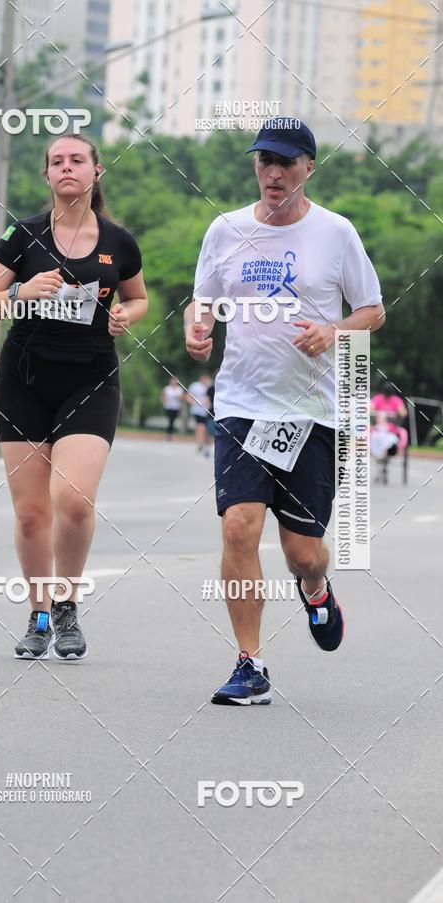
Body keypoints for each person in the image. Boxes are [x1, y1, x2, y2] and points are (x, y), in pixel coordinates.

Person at [185, 118, 385, 705]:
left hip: (310, 413)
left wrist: (333, 329)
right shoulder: (225, 231)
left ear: (308, 168)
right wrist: (199, 331)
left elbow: (372, 310)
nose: (273, 173)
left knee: (302, 552)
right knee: (238, 526)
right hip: (242, 405)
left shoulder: (336, 233)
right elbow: (205, 300)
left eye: (286, 162)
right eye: (264, 161)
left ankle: (317, 588)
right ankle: (250, 663)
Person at [0, 133, 148, 660]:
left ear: (96, 172)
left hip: (89, 380)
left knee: (72, 500)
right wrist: (19, 294)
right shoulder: (21, 235)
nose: (66, 168)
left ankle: (68, 602)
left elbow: (138, 298)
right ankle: (39, 614)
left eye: (77, 160)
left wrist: (124, 317)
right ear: (46, 175)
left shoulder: (119, 241)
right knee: (30, 515)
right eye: (56, 162)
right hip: (23, 381)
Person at [370, 381, 408, 478]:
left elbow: (403, 413)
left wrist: (397, 413)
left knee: (389, 442)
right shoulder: (378, 399)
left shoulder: (396, 400)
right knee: (374, 438)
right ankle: (380, 459)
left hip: (391, 431)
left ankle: (384, 458)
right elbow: (369, 409)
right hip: (378, 430)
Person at [186, 373, 212, 457]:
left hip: (208, 411)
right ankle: (200, 444)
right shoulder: (195, 386)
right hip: (197, 410)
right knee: (201, 427)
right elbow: (188, 396)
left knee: (206, 429)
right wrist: (193, 403)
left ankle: (204, 443)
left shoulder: (210, 386)